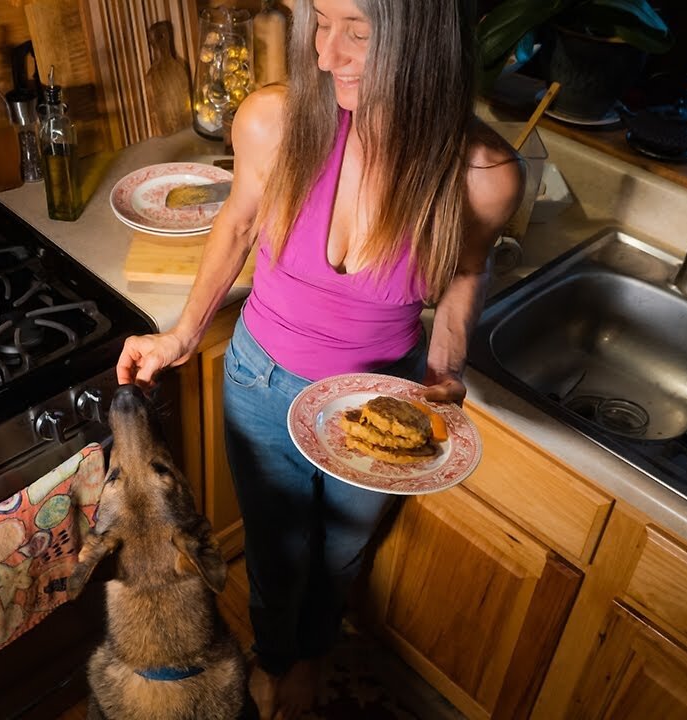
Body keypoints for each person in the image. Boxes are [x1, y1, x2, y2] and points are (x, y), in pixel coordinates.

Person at [116, 0, 523, 717]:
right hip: (261, 380)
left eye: (357, 32)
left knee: (340, 551)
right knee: (276, 552)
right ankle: (276, 658)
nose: (327, 55)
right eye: (320, 24)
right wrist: (183, 333)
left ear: (422, 40)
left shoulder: (483, 175)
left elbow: (465, 272)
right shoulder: (273, 122)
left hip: (379, 401)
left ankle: (312, 654)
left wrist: (445, 370)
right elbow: (237, 222)